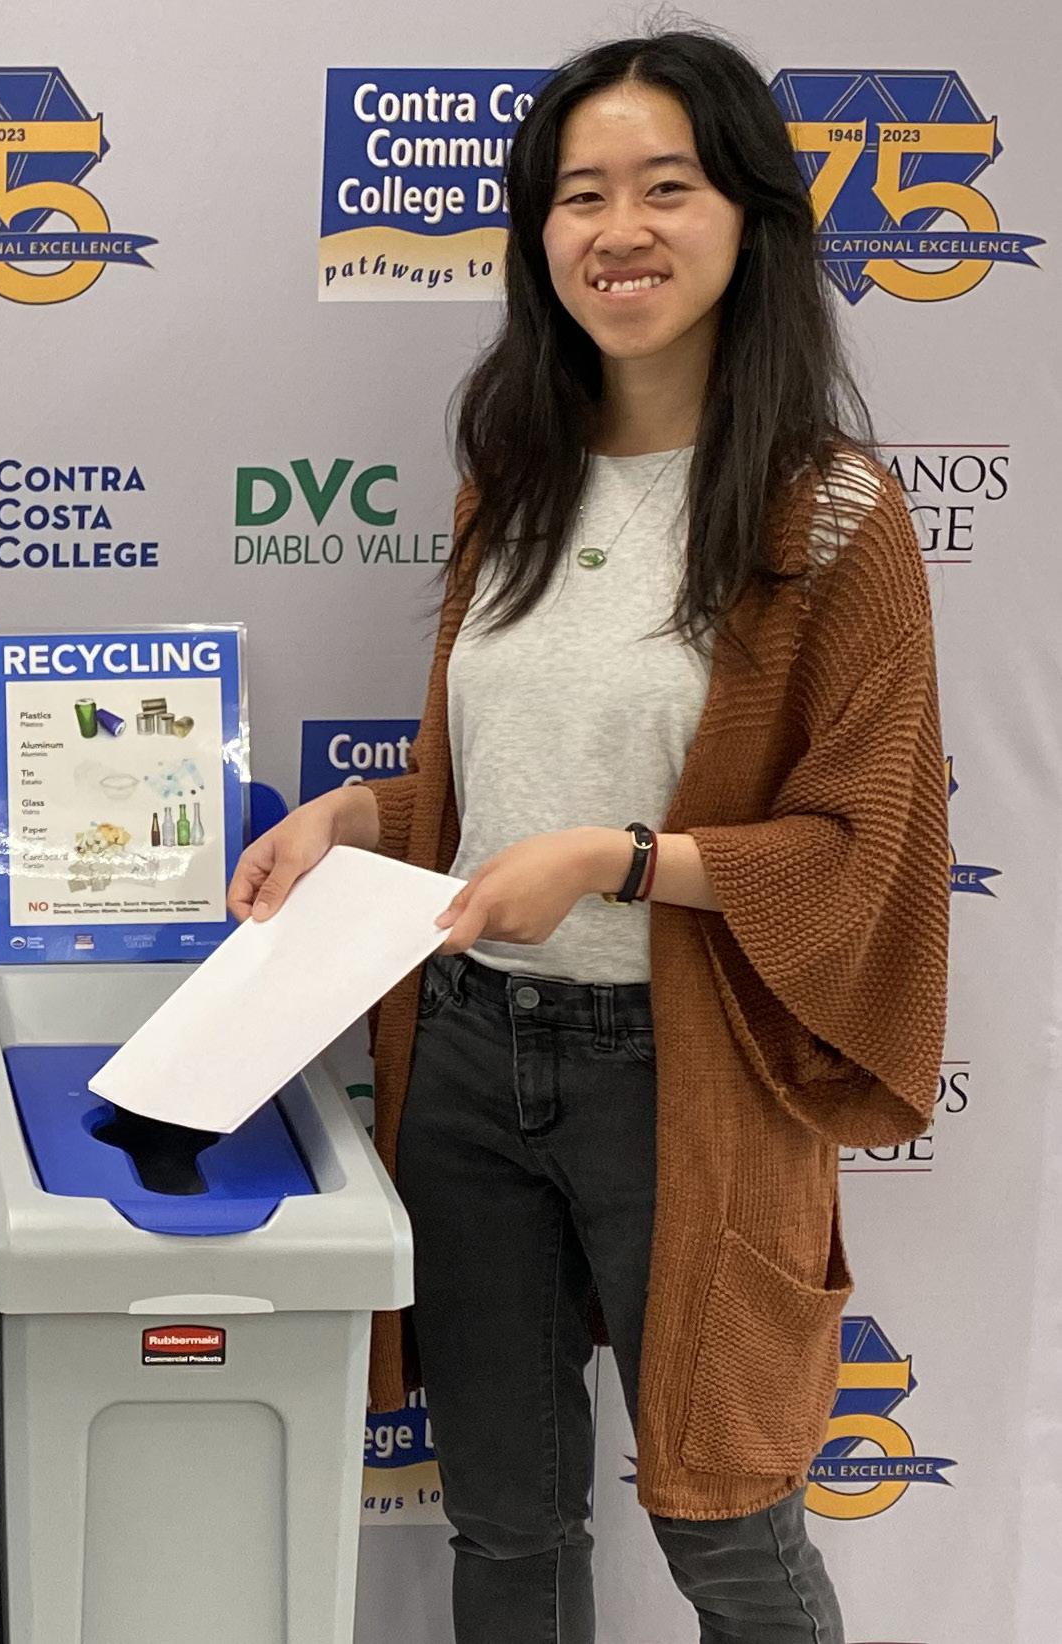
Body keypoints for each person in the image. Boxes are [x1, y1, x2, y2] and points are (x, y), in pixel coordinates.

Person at [230, 32, 946, 1644]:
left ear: (749, 217)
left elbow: (859, 848)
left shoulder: (830, 512)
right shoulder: (512, 483)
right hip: (467, 1061)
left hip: (686, 1076)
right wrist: (351, 816)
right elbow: (496, 793)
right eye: (578, 197)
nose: (617, 231)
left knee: (729, 1532)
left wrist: (620, 863)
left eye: (663, 188)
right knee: (502, 1521)